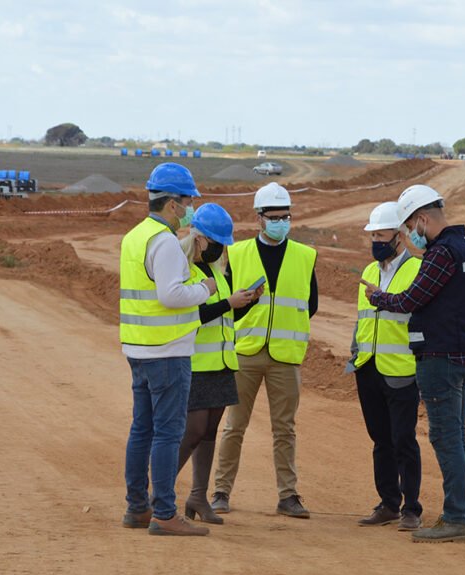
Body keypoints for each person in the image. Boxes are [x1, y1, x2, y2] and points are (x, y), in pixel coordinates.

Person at [363, 185, 465, 543]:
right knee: (456, 438)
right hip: (463, 354)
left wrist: (378, 297)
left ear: (422, 219)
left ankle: (455, 518)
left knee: (446, 437)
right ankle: (458, 510)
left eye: (410, 225)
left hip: (438, 357)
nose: (409, 232)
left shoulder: (441, 254)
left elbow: (412, 299)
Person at [119, 162, 216, 536]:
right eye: (188, 200)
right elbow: (171, 294)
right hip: (168, 351)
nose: (191, 207)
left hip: (139, 349)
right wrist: (204, 290)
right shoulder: (165, 243)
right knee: (167, 433)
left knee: (142, 429)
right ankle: (163, 513)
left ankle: (137, 508)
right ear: (173, 204)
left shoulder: (135, 237)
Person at [211, 182, 318, 519]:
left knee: (284, 429)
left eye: (286, 216)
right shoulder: (238, 253)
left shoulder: (305, 255)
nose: (281, 222)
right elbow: (226, 303)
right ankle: (220, 492)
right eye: (274, 217)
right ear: (259, 219)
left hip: (285, 356)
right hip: (245, 351)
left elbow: (310, 303)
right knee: (234, 426)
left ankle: (288, 496)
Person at [175, 203, 262, 524]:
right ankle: (159, 494)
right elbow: (187, 317)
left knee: (209, 431)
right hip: (196, 365)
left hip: (222, 363)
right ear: (198, 239)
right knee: (193, 430)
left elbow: (225, 316)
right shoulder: (184, 271)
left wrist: (247, 302)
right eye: (216, 243)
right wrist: (228, 301)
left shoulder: (217, 272)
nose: (221, 249)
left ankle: (198, 497)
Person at [346, 202, 423, 531]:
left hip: (402, 368)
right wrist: (355, 353)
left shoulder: (417, 270)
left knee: (404, 438)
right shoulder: (368, 271)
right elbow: (362, 319)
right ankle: (389, 503)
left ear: (400, 235)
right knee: (380, 439)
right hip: (368, 366)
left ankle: (411, 508)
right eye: (372, 235)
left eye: (381, 234)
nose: (375, 240)